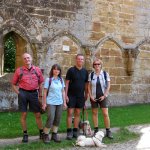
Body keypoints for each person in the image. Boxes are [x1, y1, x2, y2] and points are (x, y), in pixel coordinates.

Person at [11, 53, 44, 143]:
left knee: (37, 114)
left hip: (34, 93)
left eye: (28, 58)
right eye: (25, 58)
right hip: (23, 93)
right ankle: (25, 134)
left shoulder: (37, 70)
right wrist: (19, 93)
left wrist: (40, 95)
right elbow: (13, 84)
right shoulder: (19, 71)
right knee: (24, 115)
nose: (27, 59)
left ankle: (41, 133)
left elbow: (41, 83)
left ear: (31, 59)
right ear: (23, 60)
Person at [88, 58, 113, 139]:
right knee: (95, 113)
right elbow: (88, 86)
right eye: (95, 64)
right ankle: (96, 130)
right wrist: (90, 96)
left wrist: (105, 95)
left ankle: (108, 131)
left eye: (98, 64)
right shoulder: (91, 75)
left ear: (101, 65)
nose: (97, 65)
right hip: (94, 97)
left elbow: (108, 85)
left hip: (103, 96)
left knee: (105, 114)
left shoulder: (105, 74)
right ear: (93, 66)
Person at [65, 54, 88, 140]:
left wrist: (86, 95)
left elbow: (86, 84)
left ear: (83, 61)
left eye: (82, 59)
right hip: (71, 95)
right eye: (79, 59)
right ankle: (69, 131)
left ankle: (75, 130)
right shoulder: (71, 70)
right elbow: (66, 83)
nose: (80, 61)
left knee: (78, 113)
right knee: (70, 113)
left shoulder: (85, 72)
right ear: (76, 60)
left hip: (80, 96)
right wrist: (66, 95)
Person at [42, 64, 67, 143]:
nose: (56, 71)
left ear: (59, 71)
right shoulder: (48, 80)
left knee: (57, 119)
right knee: (51, 118)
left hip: (59, 102)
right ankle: (45, 134)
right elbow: (45, 92)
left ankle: (54, 134)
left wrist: (64, 102)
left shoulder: (61, 80)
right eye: (55, 69)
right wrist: (44, 103)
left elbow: (63, 91)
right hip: (50, 102)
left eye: (58, 70)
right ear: (52, 70)